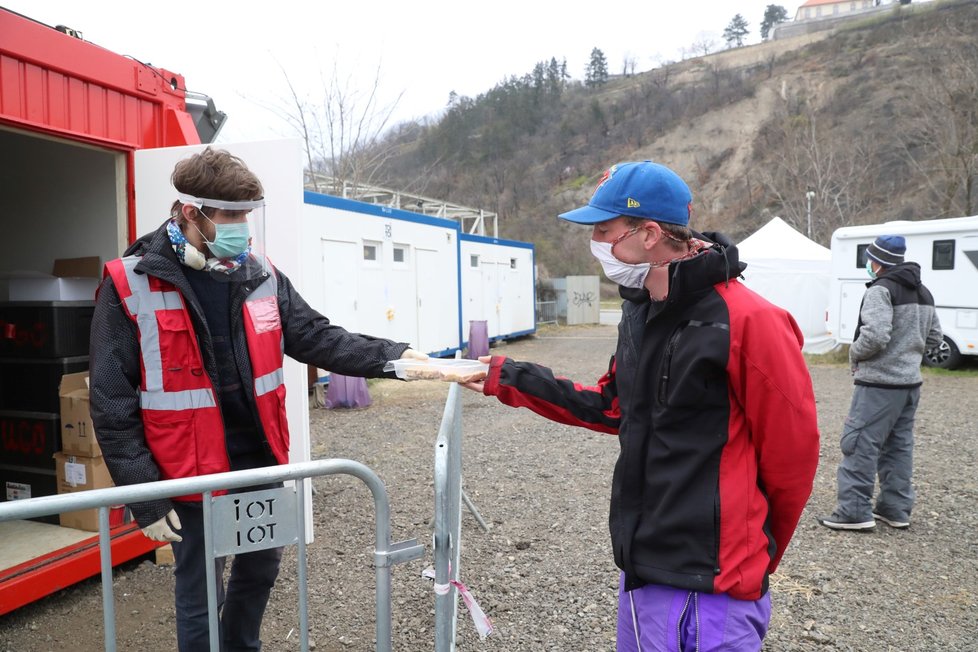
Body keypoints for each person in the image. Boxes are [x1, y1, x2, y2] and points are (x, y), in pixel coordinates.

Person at [461, 161, 820, 651]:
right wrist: (508, 377)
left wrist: (756, 553)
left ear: (649, 233)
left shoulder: (750, 319)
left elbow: (792, 458)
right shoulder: (639, 312)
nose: (597, 243)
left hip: (712, 584)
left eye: (604, 230)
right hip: (642, 566)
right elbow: (614, 406)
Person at [89, 147, 425, 651]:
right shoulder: (129, 283)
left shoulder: (258, 273)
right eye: (231, 216)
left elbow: (317, 337)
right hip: (190, 470)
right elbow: (111, 399)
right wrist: (145, 496)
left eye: (248, 215)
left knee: (261, 570)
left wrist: (398, 358)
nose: (242, 228)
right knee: (199, 587)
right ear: (190, 212)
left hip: (258, 462)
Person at [818, 235, 942, 532]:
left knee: (859, 443)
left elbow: (874, 336)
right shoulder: (923, 292)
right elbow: (935, 339)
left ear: (878, 262)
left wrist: (854, 352)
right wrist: (908, 357)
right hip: (909, 385)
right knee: (898, 447)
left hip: (878, 384)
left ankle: (854, 511)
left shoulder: (880, 291)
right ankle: (895, 508)